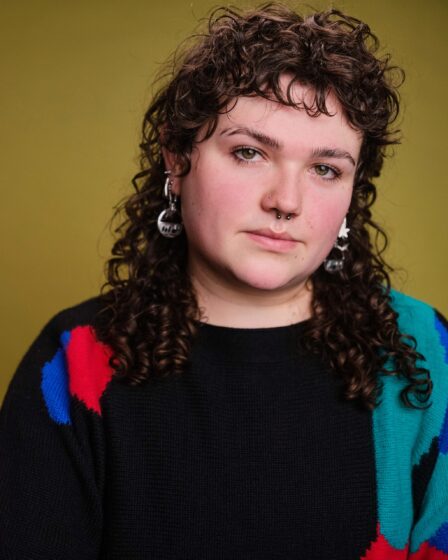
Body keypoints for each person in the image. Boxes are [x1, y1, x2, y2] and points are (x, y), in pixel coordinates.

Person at [1, 4, 447, 559]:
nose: (286, 201)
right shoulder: (76, 360)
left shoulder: (423, 351)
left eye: (325, 169)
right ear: (176, 157)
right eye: (249, 153)